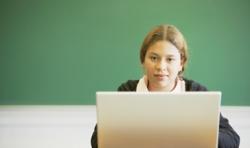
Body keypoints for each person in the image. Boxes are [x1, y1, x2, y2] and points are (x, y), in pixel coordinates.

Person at [91, 24, 240, 148]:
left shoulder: (196, 92)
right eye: (154, 58)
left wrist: (197, 135)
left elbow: (233, 139)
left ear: (181, 63)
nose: (161, 66)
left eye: (170, 59)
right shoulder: (127, 90)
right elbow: (97, 140)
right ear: (143, 60)